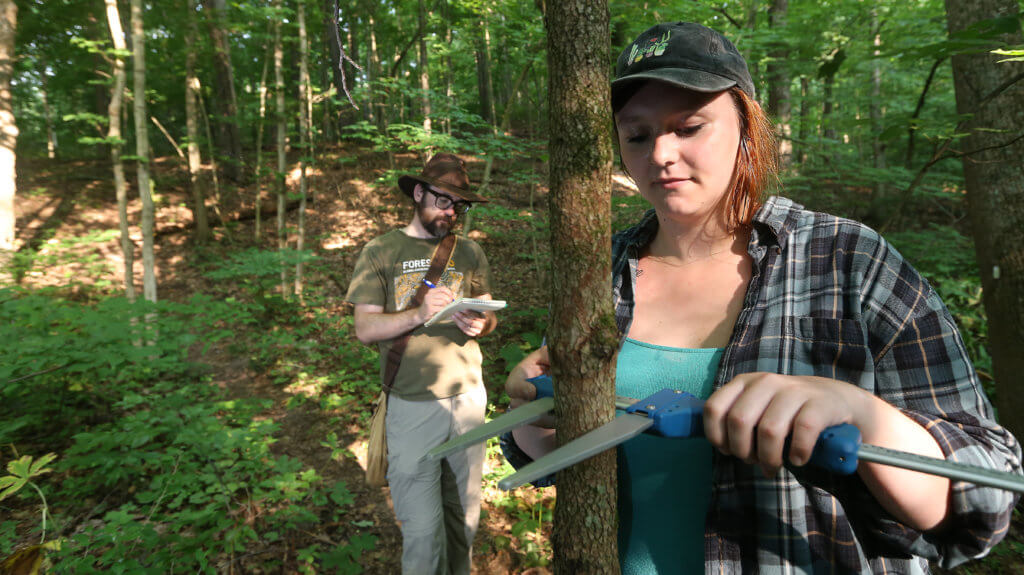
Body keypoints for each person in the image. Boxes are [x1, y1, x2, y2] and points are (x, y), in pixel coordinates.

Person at [502, 21, 1022, 574]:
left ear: (746, 126)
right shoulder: (598, 272)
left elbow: (986, 493)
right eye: (637, 134)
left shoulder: (847, 261)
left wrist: (862, 414)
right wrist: (529, 420)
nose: (660, 153)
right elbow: (557, 461)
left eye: (689, 126)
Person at [346, 153, 498, 575]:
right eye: (444, 201)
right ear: (418, 192)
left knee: (463, 521)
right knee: (421, 531)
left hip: (468, 399)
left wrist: (480, 324)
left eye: (459, 205)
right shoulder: (381, 250)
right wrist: (418, 313)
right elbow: (364, 328)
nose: (451, 213)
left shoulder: (469, 252)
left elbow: (490, 315)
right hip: (412, 406)